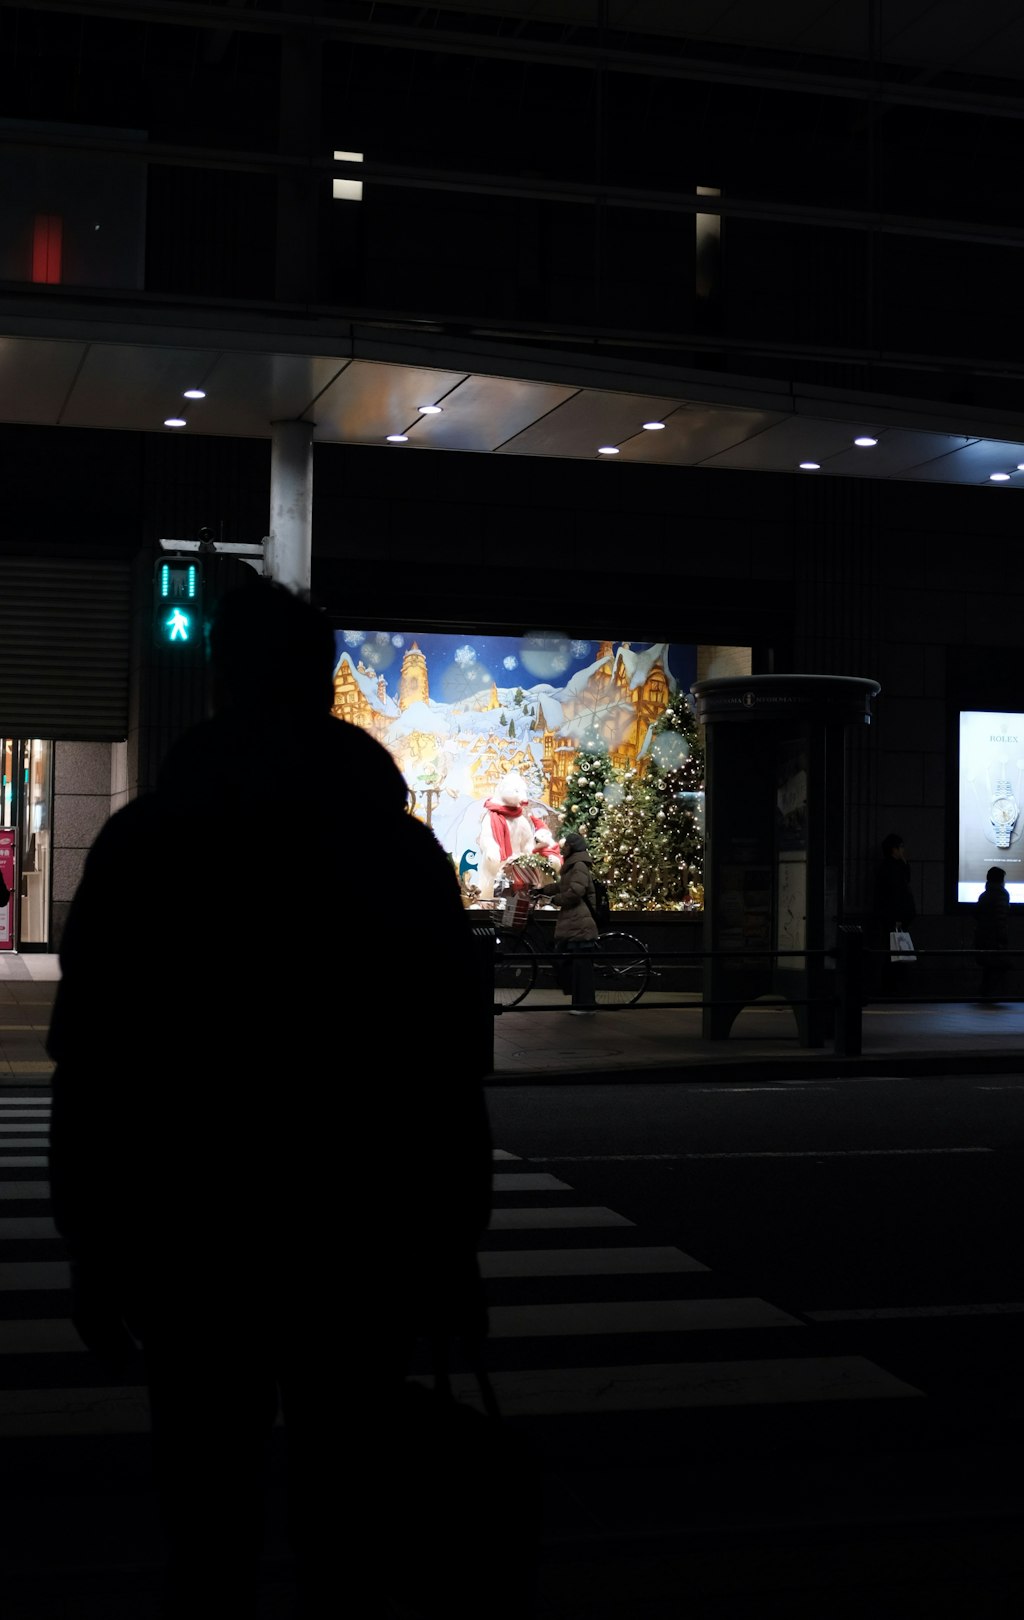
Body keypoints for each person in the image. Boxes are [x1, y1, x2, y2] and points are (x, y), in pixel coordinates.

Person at [46, 577, 493, 1617]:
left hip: (193, 1236)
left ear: (220, 687)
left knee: (206, 1522)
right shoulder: (397, 853)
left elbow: (96, 1065)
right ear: (328, 687)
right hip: (362, 1236)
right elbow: (446, 1071)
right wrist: (453, 1249)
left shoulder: (148, 846)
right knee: (349, 1518)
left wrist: (91, 1250)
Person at [539, 830, 600, 1014]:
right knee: (577, 964)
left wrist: (555, 900)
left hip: (580, 921)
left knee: (582, 966)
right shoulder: (573, 865)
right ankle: (580, 1003)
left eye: (565, 845)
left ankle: (586, 1005)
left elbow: (575, 892)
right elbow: (563, 885)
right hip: (575, 920)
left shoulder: (579, 865)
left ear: (572, 847)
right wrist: (544, 890)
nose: (562, 848)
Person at [870, 832, 917, 995]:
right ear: (894, 849)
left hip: (892, 916)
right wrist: (897, 918)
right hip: (895, 917)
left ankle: (891, 986)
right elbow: (895, 893)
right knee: (894, 952)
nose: (903, 850)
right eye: (901, 847)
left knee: (893, 951)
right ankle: (892, 987)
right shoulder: (892, 868)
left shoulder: (890, 867)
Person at [973, 865, 1012, 1003]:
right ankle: (993, 997)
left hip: (982, 938)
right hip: (996, 939)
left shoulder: (983, 896)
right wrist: (1003, 939)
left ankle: (985, 996)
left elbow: (976, 915)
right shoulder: (1002, 894)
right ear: (1001, 880)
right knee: (997, 969)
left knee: (988, 969)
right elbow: (1001, 919)